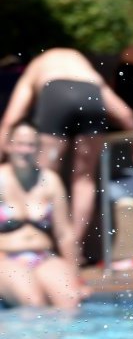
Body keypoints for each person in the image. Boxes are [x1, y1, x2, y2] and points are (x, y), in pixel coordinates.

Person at [0, 48, 133, 241]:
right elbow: (124, 114)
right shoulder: (85, 71)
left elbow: (12, 117)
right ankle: (73, 247)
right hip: (91, 96)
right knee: (85, 179)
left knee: (43, 176)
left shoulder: (37, 66)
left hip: (56, 94)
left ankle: (42, 243)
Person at [0, 122, 87, 308]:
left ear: (39, 148)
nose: (25, 150)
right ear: (8, 145)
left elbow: (65, 235)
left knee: (71, 300)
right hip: (5, 257)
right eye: (20, 144)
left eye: (31, 145)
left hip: (42, 257)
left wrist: (76, 278)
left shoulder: (50, 181)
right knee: (33, 301)